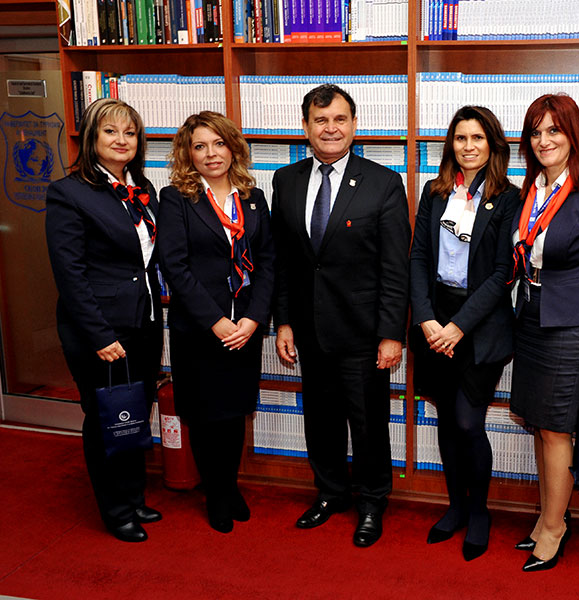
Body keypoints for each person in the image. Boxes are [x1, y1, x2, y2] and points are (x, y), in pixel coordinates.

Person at [270, 84, 411, 548]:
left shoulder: (383, 182)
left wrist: (392, 333)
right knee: (320, 420)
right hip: (309, 330)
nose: (330, 128)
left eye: (339, 119)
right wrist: (284, 322)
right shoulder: (285, 181)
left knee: (368, 424)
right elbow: (284, 261)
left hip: (364, 334)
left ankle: (372, 502)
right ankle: (330, 492)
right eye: (320, 120)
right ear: (305, 126)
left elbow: (395, 267)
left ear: (354, 124)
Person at [510, 94, 579, 572]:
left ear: (573, 135)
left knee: (557, 429)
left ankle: (555, 528)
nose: (544, 141)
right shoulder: (529, 191)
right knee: (539, 424)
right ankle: (546, 517)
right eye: (536, 132)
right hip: (532, 316)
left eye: (554, 130)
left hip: (573, 326)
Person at [45, 98, 163, 543]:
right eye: (110, 131)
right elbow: (69, 273)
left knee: (135, 414)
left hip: (143, 322)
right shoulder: (69, 192)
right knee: (105, 418)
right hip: (100, 330)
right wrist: (98, 335)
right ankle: (115, 511)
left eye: (130, 133)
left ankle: (133, 497)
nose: (121, 140)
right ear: (92, 138)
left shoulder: (141, 189)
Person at [157, 111, 275, 533]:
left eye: (219, 143)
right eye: (200, 146)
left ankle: (230, 484)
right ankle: (216, 493)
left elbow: (268, 261)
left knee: (236, 411)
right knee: (206, 416)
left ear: (233, 147)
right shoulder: (176, 198)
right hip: (200, 330)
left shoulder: (253, 197)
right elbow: (174, 266)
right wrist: (216, 321)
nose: (211, 154)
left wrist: (254, 318)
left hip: (245, 329)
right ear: (188, 154)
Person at [409, 106, 518, 561]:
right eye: (460, 138)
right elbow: (418, 256)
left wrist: (458, 326)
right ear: (450, 145)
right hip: (435, 321)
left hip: (480, 324)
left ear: (492, 145)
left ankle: (479, 512)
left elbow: (502, 273)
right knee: (446, 420)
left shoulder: (509, 198)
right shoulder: (435, 193)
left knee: (469, 421)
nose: (468, 146)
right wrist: (426, 318)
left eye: (477, 138)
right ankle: (455, 506)